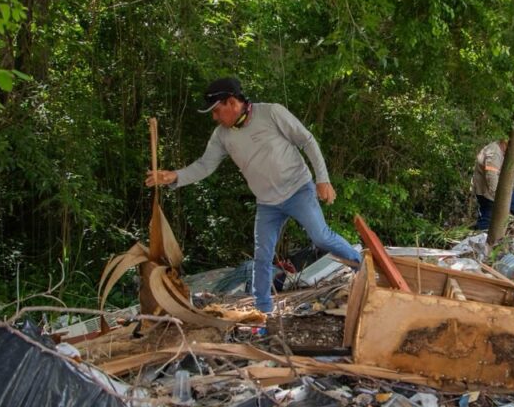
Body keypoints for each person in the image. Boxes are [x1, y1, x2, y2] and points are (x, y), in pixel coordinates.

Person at [145, 77, 361, 314]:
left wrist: (323, 179)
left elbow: (306, 140)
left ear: (231, 102)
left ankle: (362, 266)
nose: (215, 117)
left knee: (320, 237)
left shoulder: (271, 113)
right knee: (262, 256)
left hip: (298, 189)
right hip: (267, 203)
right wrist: (174, 176)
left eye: (217, 111)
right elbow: (205, 165)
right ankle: (263, 311)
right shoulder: (222, 135)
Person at [472, 140, 514, 230]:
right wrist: (497, 194)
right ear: (505, 143)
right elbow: (491, 175)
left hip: (492, 188)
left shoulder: (497, 148)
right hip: (488, 190)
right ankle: (482, 235)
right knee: (487, 215)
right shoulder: (494, 152)